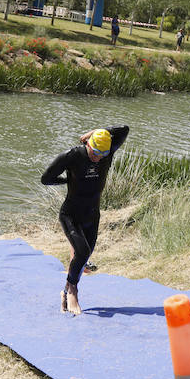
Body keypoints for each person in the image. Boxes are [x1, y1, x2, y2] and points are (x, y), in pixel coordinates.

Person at [40, 126, 129, 315]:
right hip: (70, 214)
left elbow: (124, 130)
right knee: (82, 252)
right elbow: (46, 178)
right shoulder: (72, 156)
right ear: (88, 145)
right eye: (95, 153)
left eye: (102, 155)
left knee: (83, 257)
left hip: (92, 214)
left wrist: (96, 131)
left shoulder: (106, 152)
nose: (97, 158)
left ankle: (64, 292)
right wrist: (68, 180)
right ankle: (73, 291)